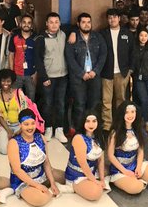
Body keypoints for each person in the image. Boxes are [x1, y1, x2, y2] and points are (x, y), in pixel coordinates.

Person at [6, 109, 61, 207]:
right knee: (39, 200)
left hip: (41, 175)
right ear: (20, 124)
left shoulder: (40, 137)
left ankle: (50, 187)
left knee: (65, 176)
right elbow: (17, 170)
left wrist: (52, 183)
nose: (30, 127)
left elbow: (46, 162)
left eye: (32, 123)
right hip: (23, 180)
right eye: (26, 124)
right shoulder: (13, 143)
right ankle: (45, 191)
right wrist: (37, 186)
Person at [66, 13, 105, 134]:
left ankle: (93, 132)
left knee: (94, 105)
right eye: (83, 22)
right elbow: (69, 58)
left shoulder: (98, 37)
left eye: (89, 22)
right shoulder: (73, 38)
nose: (87, 24)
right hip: (78, 78)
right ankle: (79, 133)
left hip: (94, 76)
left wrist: (95, 71)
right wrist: (81, 73)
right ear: (78, 24)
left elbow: (103, 55)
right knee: (79, 105)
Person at [35, 12, 69, 143]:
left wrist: (72, 33)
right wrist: (44, 77)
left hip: (63, 76)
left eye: (56, 22)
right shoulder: (41, 39)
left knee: (60, 103)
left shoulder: (63, 34)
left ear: (60, 23)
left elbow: (74, 28)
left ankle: (59, 129)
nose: (54, 24)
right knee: (48, 104)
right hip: (48, 77)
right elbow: (38, 60)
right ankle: (48, 128)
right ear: (46, 24)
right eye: (51, 22)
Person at [105, 104, 148, 194]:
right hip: (119, 168)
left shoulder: (137, 129)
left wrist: (138, 167)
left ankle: (135, 177)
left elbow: (141, 150)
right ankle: (122, 180)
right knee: (136, 188)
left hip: (134, 163)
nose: (130, 115)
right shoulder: (115, 133)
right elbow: (110, 156)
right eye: (127, 112)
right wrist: (125, 171)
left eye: (132, 112)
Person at [0, 70, 39, 155]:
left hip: (19, 124)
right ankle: (3, 136)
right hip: (4, 125)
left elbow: (25, 112)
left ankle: (13, 139)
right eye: (3, 81)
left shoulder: (19, 93)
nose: (5, 83)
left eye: (8, 81)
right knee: (4, 151)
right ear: (0, 81)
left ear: (12, 81)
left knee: (25, 147)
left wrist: (21, 129)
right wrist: (8, 131)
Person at [100, 10, 134, 131]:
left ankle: (121, 123)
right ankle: (107, 126)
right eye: (109, 18)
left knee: (121, 100)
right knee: (106, 101)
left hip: (122, 72)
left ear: (119, 18)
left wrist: (130, 69)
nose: (112, 20)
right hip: (106, 72)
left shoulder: (127, 33)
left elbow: (132, 52)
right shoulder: (102, 33)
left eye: (114, 17)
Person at [64, 111, 107, 201]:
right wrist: (95, 181)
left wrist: (102, 179)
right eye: (88, 121)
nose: (91, 124)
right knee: (96, 193)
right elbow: (83, 164)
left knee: (108, 172)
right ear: (82, 122)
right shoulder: (79, 138)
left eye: (94, 121)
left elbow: (101, 160)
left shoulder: (99, 136)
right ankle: (73, 186)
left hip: (92, 172)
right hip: (77, 175)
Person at [10, 14, 40, 98]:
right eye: (24, 22)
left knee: (31, 99)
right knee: (15, 99)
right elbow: (11, 55)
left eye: (29, 23)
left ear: (32, 25)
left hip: (31, 74)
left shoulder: (36, 38)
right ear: (20, 24)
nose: (26, 24)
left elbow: (38, 57)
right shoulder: (14, 37)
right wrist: (12, 72)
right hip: (16, 74)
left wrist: (36, 73)